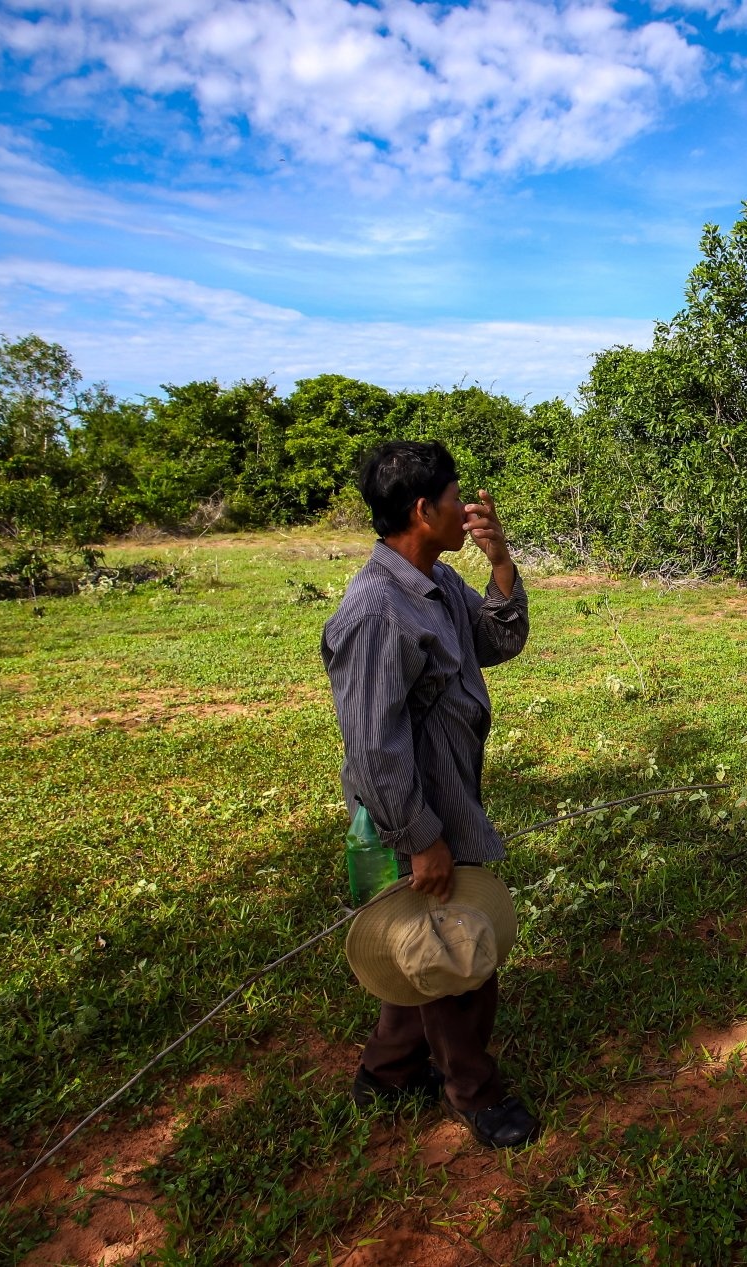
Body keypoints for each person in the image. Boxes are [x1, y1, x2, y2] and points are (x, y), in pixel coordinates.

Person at [320, 439, 540, 1150]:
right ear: (423, 510)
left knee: (419, 942)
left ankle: (385, 1075)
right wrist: (422, 837)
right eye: (455, 498)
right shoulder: (378, 612)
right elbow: (374, 749)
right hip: (411, 815)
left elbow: (498, 642)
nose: (466, 508)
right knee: (456, 954)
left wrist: (500, 562)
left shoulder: (438, 581)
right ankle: (476, 1093)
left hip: (445, 800)